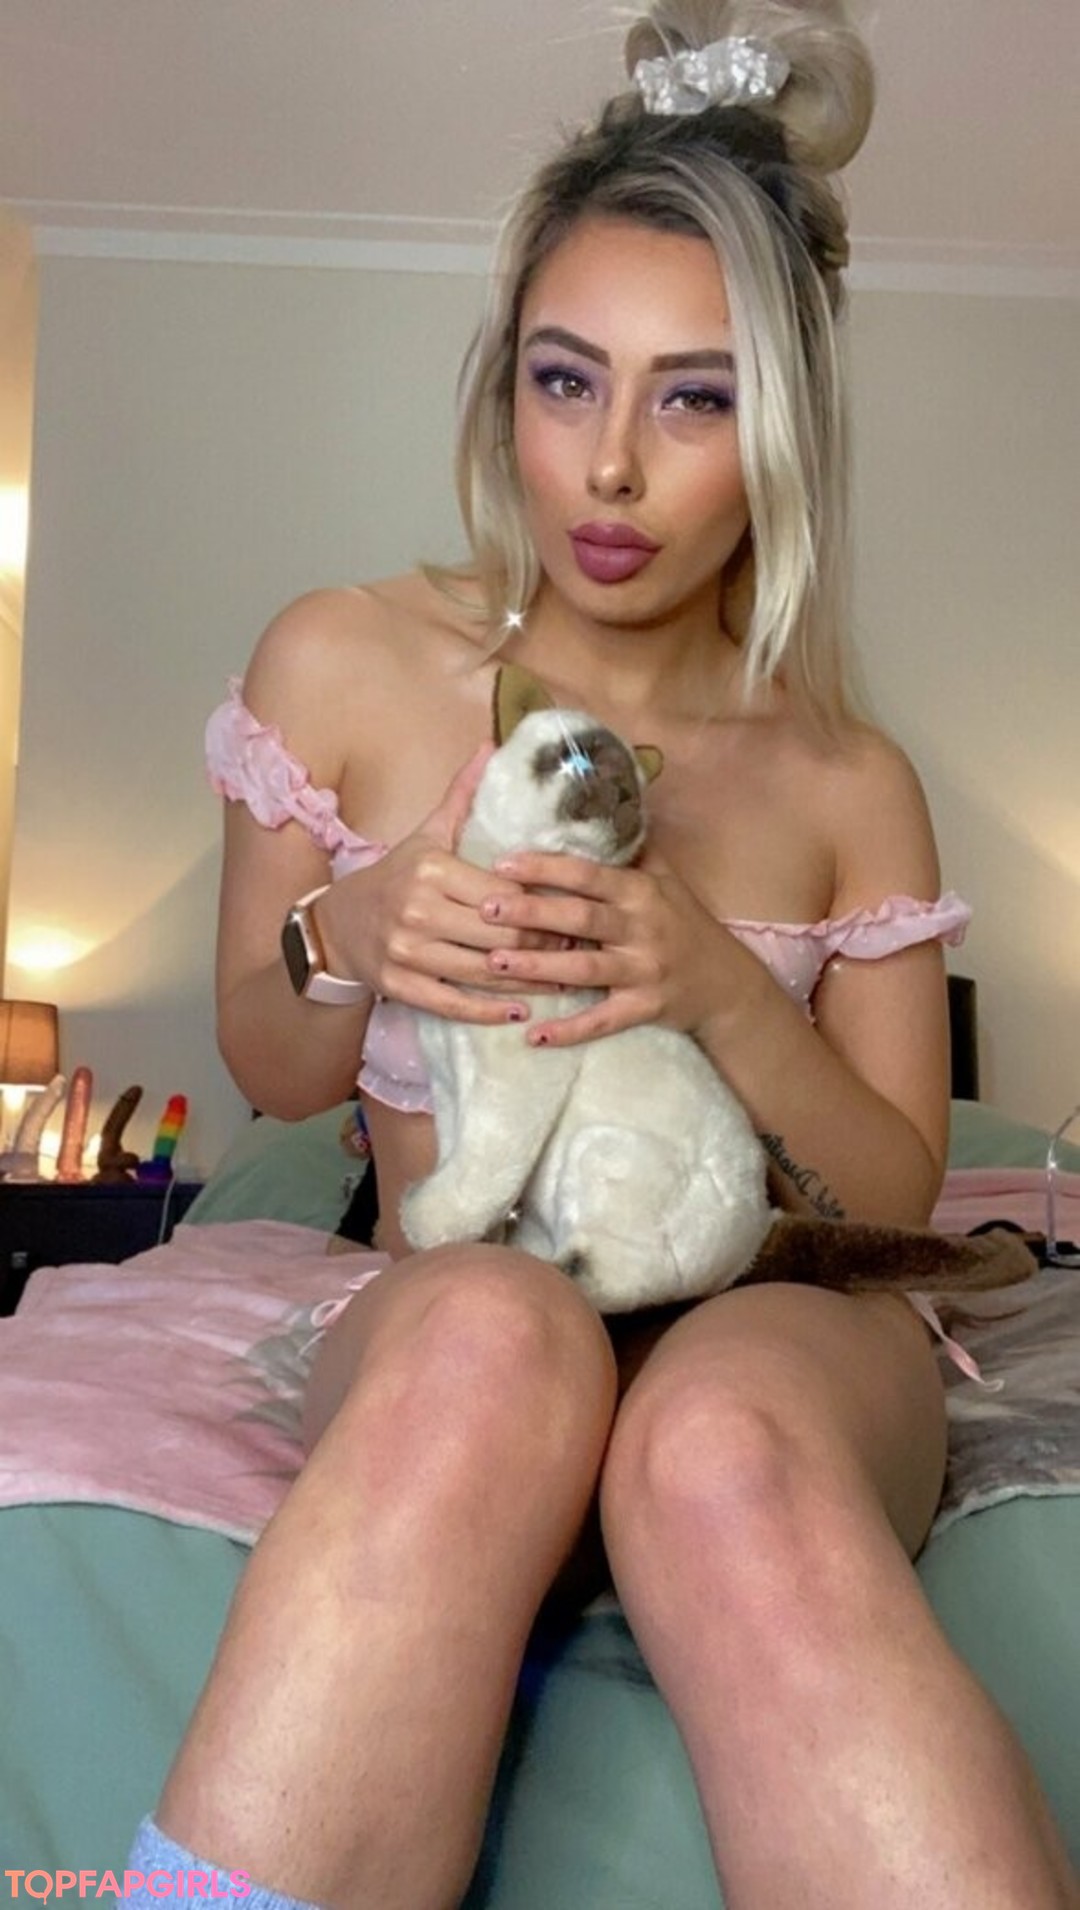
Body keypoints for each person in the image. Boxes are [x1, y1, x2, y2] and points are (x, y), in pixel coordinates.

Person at [122, 2, 1078, 1905]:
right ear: (506, 390)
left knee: (721, 1440)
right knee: (490, 1340)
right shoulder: (344, 661)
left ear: (778, 431)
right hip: (463, 1280)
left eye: (694, 399)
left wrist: (709, 977)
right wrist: (350, 925)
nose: (614, 468)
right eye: (569, 381)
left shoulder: (845, 777)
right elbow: (276, 1074)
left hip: (780, 1306)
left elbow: (895, 1188)